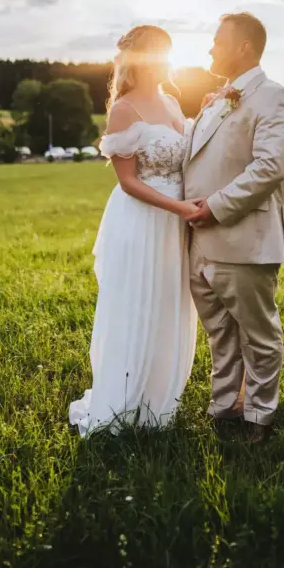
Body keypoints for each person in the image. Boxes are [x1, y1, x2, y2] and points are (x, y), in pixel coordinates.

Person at [69, 25, 199, 436]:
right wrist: (178, 207)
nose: (165, 62)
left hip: (175, 225)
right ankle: (124, 400)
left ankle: (159, 403)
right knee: (139, 304)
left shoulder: (173, 102)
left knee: (168, 304)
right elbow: (128, 182)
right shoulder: (124, 109)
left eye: (169, 54)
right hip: (143, 221)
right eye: (159, 54)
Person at [183, 13, 284, 444]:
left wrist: (213, 208)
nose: (211, 49)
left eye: (218, 41)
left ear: (244, 47)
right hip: (199, 241)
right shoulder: (217, 100)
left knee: (258, 333)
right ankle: (224, 406)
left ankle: (259, 415)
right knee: (218, 332)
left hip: (243, 238)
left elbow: (269, 167)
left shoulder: (276, 98)